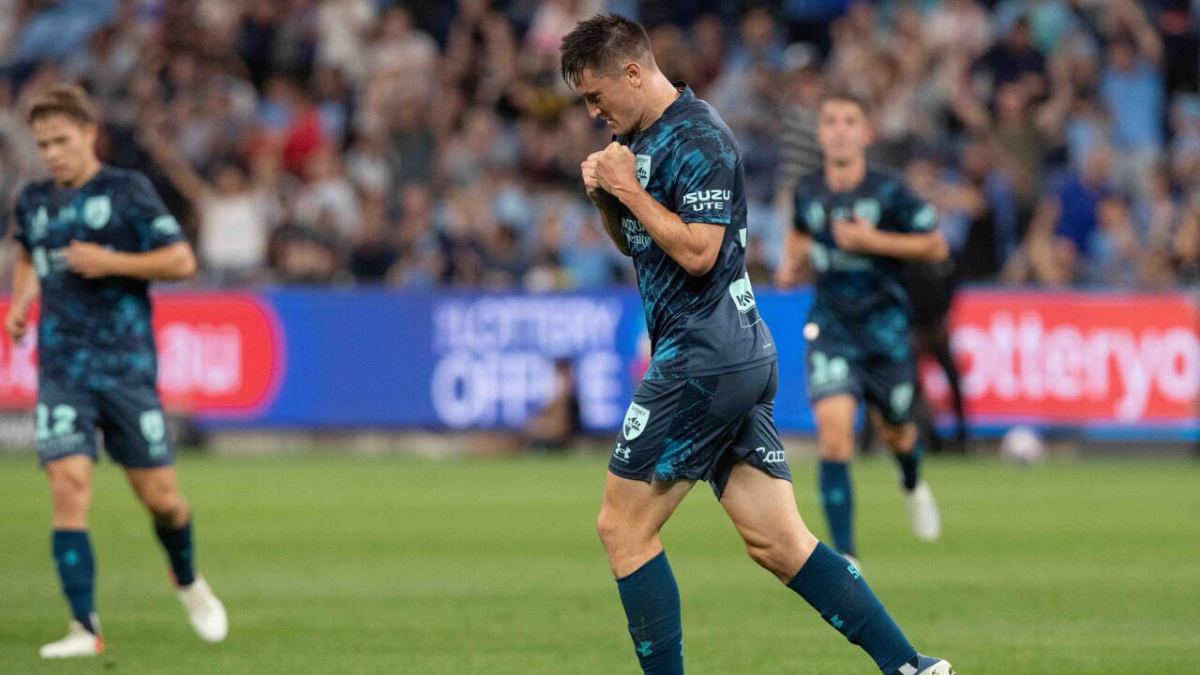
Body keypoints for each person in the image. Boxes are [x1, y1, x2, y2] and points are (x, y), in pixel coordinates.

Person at [561, 15, 953, 675]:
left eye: (597, 94)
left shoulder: (699, 135)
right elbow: (639, 242)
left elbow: (697, 250)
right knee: (779, 539)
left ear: (633, 72)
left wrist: (626, 186)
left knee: (622, 526)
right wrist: (608, 197)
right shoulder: (640, 140)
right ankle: (911, 665)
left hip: (704, 354)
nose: (594, 111)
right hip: (727, 353)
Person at [5, 84, 227, 659]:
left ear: (89, 133)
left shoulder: (127, 192)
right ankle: (84, 627)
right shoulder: (32, 200)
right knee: (68, 486)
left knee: (162, 499)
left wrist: (111, 263)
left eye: (61, 141)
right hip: (62, 371)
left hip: (126, 372)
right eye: (43, 144)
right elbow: (29, 252)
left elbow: (181, 260)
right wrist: (23, 301)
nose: (52, 153)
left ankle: (187, 580)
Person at [776, 92, 948, 566]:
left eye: (850, 120)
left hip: (886, 332)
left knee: (898, 434)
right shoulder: (808, 190)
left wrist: (874, 241)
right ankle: (846, 556)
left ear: (867, 133)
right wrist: (791, 263)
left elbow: (935, 246)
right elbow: (799, 233)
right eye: (829, 121)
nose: (839, 130)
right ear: (819, 134)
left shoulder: (890, 191)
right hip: (832, 327)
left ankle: (912, 481)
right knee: (835, 436)